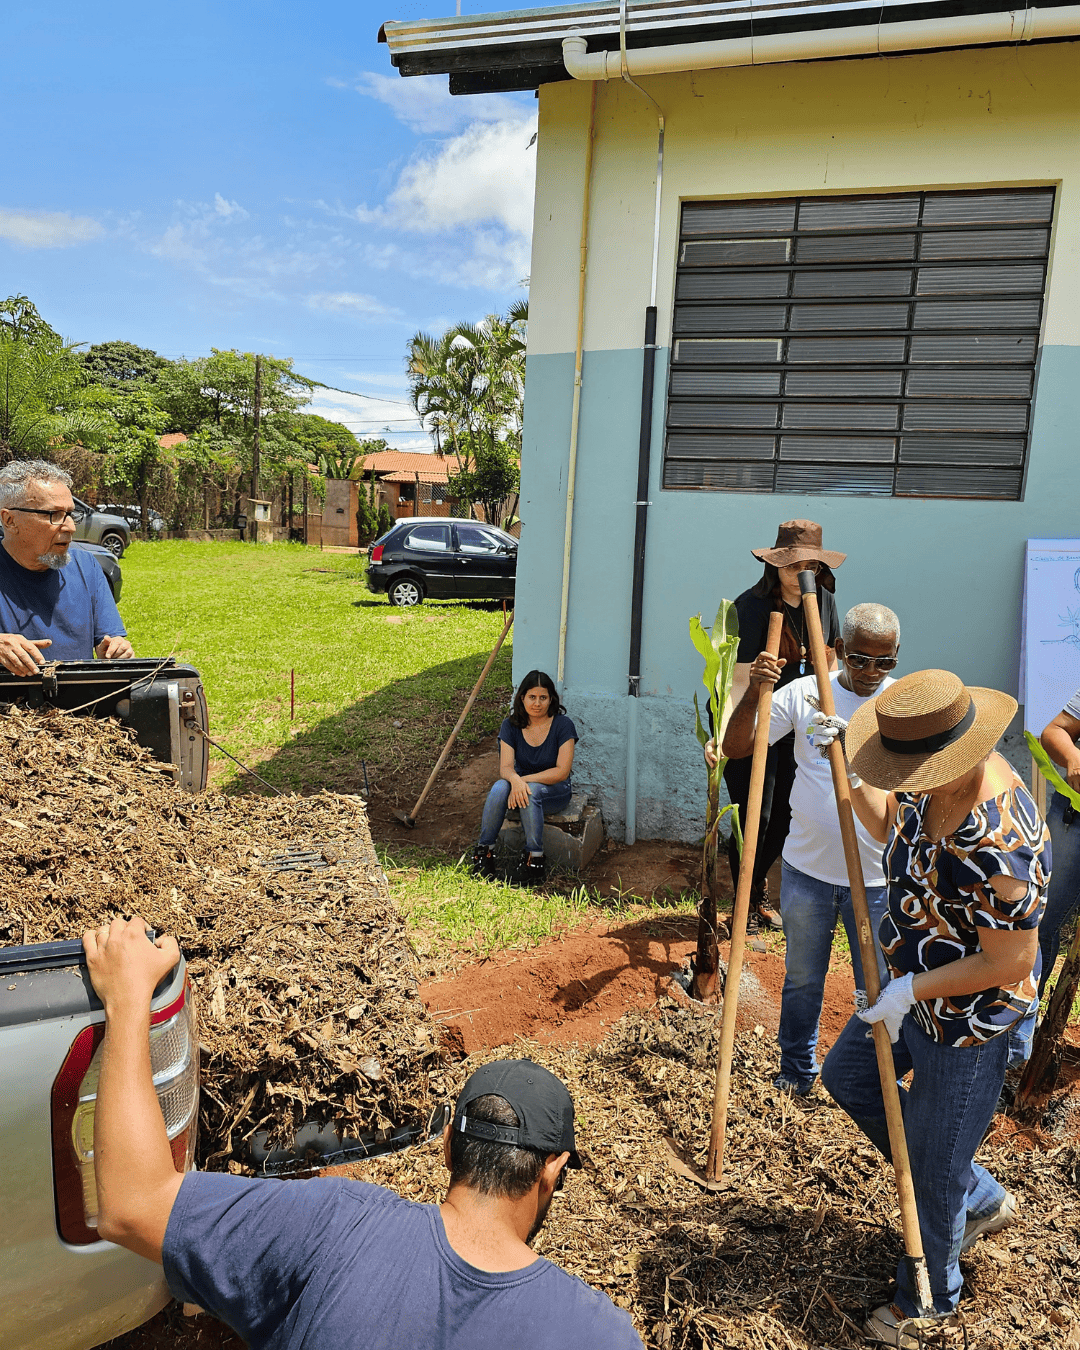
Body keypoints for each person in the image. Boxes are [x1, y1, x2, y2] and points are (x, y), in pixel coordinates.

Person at [81, 916, 643, 1350]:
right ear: (553, 1169)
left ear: (447, 1145)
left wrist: (128, 999)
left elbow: (132, 1205)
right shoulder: (600, 1335)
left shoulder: (332, 1225)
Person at [817, 669, 1049, 1344]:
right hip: (910, 996)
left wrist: (909, 990)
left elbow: (1009, 960)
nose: (897, 780)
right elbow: (890, 821)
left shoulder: (998, 837)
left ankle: (930, 1301)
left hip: (969, 1024)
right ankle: (979, 1198)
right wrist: (854, 774)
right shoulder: (926, 788)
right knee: (851, 1079)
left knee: (934, 1163)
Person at [722, 603, 900, 1096]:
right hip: (807, 872)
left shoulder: (900, 706)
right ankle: (796, 1073)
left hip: (878, 879)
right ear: (840, 651)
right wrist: (754, 692)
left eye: (884, 662)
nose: (870, 673)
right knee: (803, 981)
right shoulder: (804, 694)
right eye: (860, 659)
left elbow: (899, 808)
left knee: (878, 988)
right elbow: (740, 746)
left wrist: (853, 756)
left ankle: (867, 1076)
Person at [705, 519, 844, 933]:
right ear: (775, 565)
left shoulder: (823, 602)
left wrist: (831, 718)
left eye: (810, 565)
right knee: (755, 817)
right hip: (755, 724)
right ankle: (742, 903)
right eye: (790, 564)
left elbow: (830, 664)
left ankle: (758, 889)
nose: (800, 572)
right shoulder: (749, 607)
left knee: (786, 815)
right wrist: (721, 733)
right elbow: (734, 680)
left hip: (800, 727)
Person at [0, 459, 132, 674]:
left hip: (79, 703)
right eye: (54, 515)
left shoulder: (87, 566)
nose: (70, 527)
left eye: (70, 514)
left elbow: (109, 640)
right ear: (10, 520)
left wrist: (116, 650)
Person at [471, 670, 577, 886]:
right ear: (522, 698)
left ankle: (534, 861)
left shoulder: (563, 725)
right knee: (500, 788)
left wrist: (522, 781)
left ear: (551, 699)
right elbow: (506, 768)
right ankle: (485, 854)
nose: (537, 703)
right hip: (518, 787)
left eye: (543, 697)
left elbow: (561, 771)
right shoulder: (510, 725)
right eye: (532, 697)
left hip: (555, 790)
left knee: (532, 792)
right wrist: (516, 781)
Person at [1035, 693, 1080, 995]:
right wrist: (1074, 758)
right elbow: (1054, 730)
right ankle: (1023, 1023)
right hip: (1073, 818)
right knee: (1039, 918)